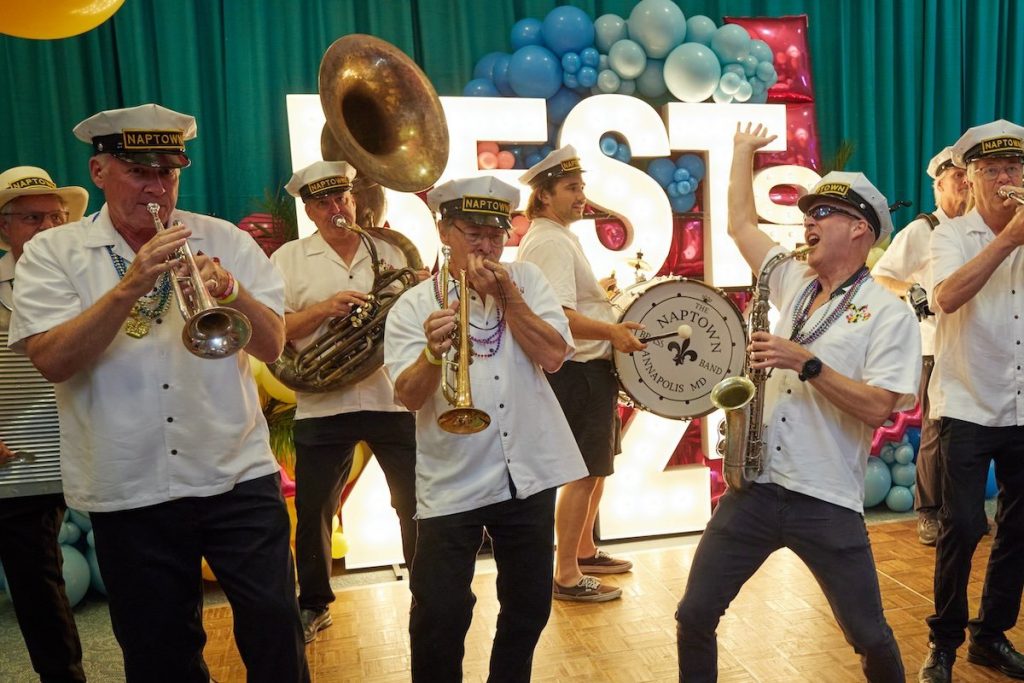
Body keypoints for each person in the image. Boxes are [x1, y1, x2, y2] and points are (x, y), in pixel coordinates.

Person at [7, 104, 309, 682]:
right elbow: (51, 360)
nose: (156, 188)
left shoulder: (223, 239)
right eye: (138, 173)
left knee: (275, 627)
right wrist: (130, 285)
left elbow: (272, 347)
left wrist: (233, 290)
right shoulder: (54, 254)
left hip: (236, 473)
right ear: (99, 172)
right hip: (128, 485)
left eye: (167, 173)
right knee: (158, 651)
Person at [675, 123, 919, 682]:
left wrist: (804, 363)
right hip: (755, 489)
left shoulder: (888, 313)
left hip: (825, 499)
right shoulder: (792, 282)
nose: (806, 223)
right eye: (806, 214)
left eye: (822, 214)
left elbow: (881, 407)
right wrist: (740, 152)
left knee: (868, 634)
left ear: (860, 228)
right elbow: (739, 224)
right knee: (694, 614)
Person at [383, 176, 588, 682]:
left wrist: (510, 297)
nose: (488, 246)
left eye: (496, 234)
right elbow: (408, 396)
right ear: (444, 231)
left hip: (529, 474)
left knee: (529, 606)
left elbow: (555, 355)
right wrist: (434, 352)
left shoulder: (528, 282)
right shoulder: (413, 305)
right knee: (440, 614)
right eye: (474, 233)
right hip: (452, 480)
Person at [270, 160, 423, 643]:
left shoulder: (389, 250)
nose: (335, 208)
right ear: (309, 210)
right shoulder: (289, 260)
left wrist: (418, 291)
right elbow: (275, 332)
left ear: (354, 199)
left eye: (342, 198)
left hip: (391, 398)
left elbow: (416, 315)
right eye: (323, 202)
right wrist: (325, 308)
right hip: (323, 403)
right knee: (314, 508)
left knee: (416, 502)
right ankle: (314, 603)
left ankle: (428, 591)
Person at [918, 119, 1024, 683]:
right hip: (965, 404)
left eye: (1014, 168)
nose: (1005, 178)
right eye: (992, 170)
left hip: (1022, 405)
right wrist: (1009, 239)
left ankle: (991, 636)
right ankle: (944, 644)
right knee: (962, 526)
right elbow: (947, 299)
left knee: (1020, 528)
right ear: (971, 179)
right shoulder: (949, 236)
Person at [515, 145, 644, 603]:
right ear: (544, 196)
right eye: (571, 188)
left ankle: (584, 550)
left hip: (590, 370)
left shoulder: (557, 235)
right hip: (577, 371)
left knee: (595, 468)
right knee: (582, 473)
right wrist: (610, 328)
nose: (582, 196)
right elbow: (560, 316)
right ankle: (567, 574)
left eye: (582, 187)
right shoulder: (549, 239)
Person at [0, 166, 88, 682]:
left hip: (102, 443)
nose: (47, 227)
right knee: (38, 588)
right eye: (31, 217)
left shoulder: (98, 278)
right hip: (23, 459)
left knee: (143, 577)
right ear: (4, 227)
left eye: (56, 216)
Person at [871, 145, 969, 546]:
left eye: (968, 176)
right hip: (935, 345)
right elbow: (880, 275)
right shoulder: (923, 229)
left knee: (970, 432)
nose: (965, 183)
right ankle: (929, 513)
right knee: (936, 428)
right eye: (957, 178)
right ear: (939, 185)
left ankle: (960, 512)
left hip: (973, 344)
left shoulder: (978, 229)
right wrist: (911, 289)